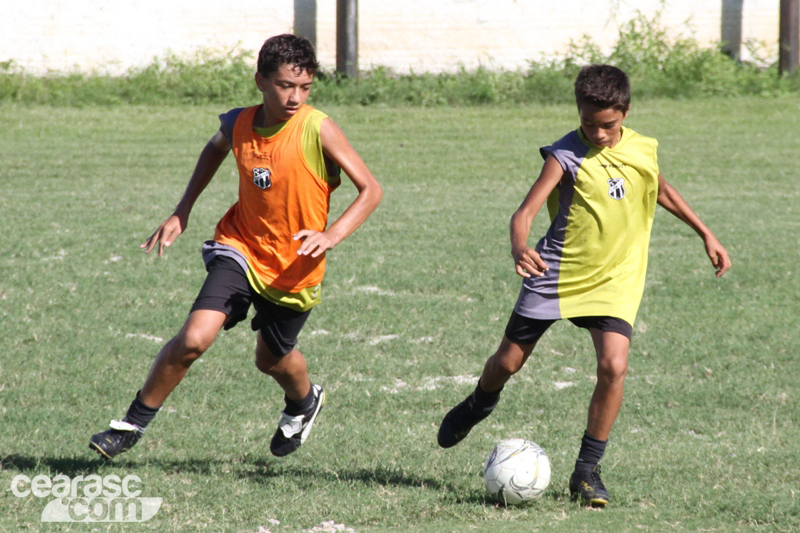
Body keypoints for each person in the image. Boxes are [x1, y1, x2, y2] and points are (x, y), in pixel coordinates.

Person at [437, 64, 731, 506]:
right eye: (588, 123)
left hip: (616, 277)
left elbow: (661, 189)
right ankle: (480, 402)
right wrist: (520, 248)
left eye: (608, 125)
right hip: (554, 273)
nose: (597, 133)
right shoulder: (564, 154)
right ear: (579, 112)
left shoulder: (644, 149)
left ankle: (587, 471)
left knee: (614, 366)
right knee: (508, 362)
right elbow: (524, 213)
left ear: (626, 112)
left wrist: (705, 232)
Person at [90, 34, 382, 460]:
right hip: (240, 246)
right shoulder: (238, 123)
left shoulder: (318, 128)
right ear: (261, 81)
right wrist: (182, 210)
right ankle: (131, 424)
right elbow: (213, 150)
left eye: (305, 88)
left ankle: (303, 402)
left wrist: (331, 235)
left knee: (272, 360)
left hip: (294, 266)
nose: (296, 97)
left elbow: (370, 190)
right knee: (194, 337)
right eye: (285, 85)